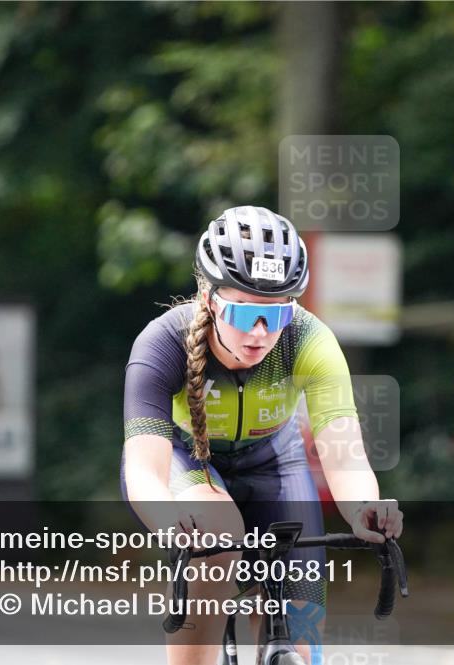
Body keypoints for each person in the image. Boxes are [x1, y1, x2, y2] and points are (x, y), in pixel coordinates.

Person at [120, 205, 403, 665]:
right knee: (217, 537)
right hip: (188, 461)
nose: (259, 333)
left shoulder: (309, 339)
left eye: (276, 316)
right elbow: (143, 470)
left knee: (303, 642)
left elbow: (346, 456)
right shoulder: (161, 342)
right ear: (210, 299)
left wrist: (363, 508)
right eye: (244, 313)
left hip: (275, 464)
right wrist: (168, 519)